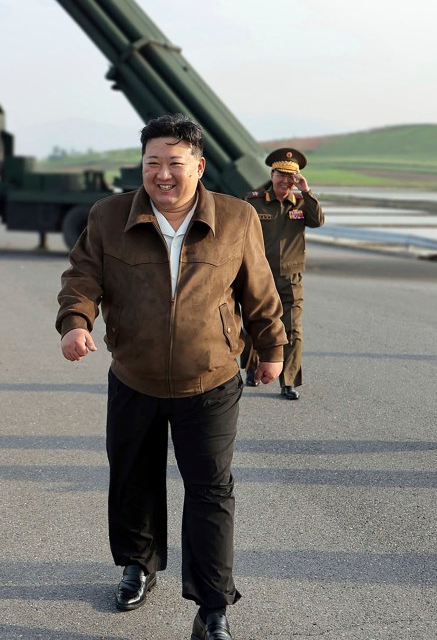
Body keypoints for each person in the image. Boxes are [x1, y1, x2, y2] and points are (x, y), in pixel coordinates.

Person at [56, 113, 286, 640]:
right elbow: (82, 276)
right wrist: (75, 322)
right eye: (152, 163)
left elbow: (260, 289)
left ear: (199, 166)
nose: (162, 174)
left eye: (174, 164)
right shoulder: (110, 215)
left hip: (210, 379)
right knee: (133, 477)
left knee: (210, 492)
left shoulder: (236, 218)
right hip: (134, 373)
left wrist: (272, 348)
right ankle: (138, 565)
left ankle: (212, 609)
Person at [242, 147, 325, 400]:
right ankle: (253, 365)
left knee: (292, 330)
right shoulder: (254, 201)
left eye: (292, 177)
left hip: (290, 277)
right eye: (282, 175)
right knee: (254, 324)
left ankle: (288, 381)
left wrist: (306, 190)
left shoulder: (301, 203)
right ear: (273, 174)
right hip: (259, 275)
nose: (286, 181)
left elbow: (318, 221)